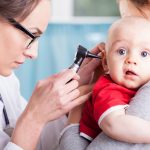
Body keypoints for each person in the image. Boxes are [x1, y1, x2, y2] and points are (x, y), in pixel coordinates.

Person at [0, 0, 101, 149]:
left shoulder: (7, 81)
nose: (34, 54)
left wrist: (67, 100)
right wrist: (33, 118)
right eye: (31, 34)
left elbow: (35, 143)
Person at [59, 0, 150, 149]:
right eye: (121, 51)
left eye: (144, 53)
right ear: (105, 61)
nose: (131, 60)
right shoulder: (109, 90)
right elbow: (114, 125)